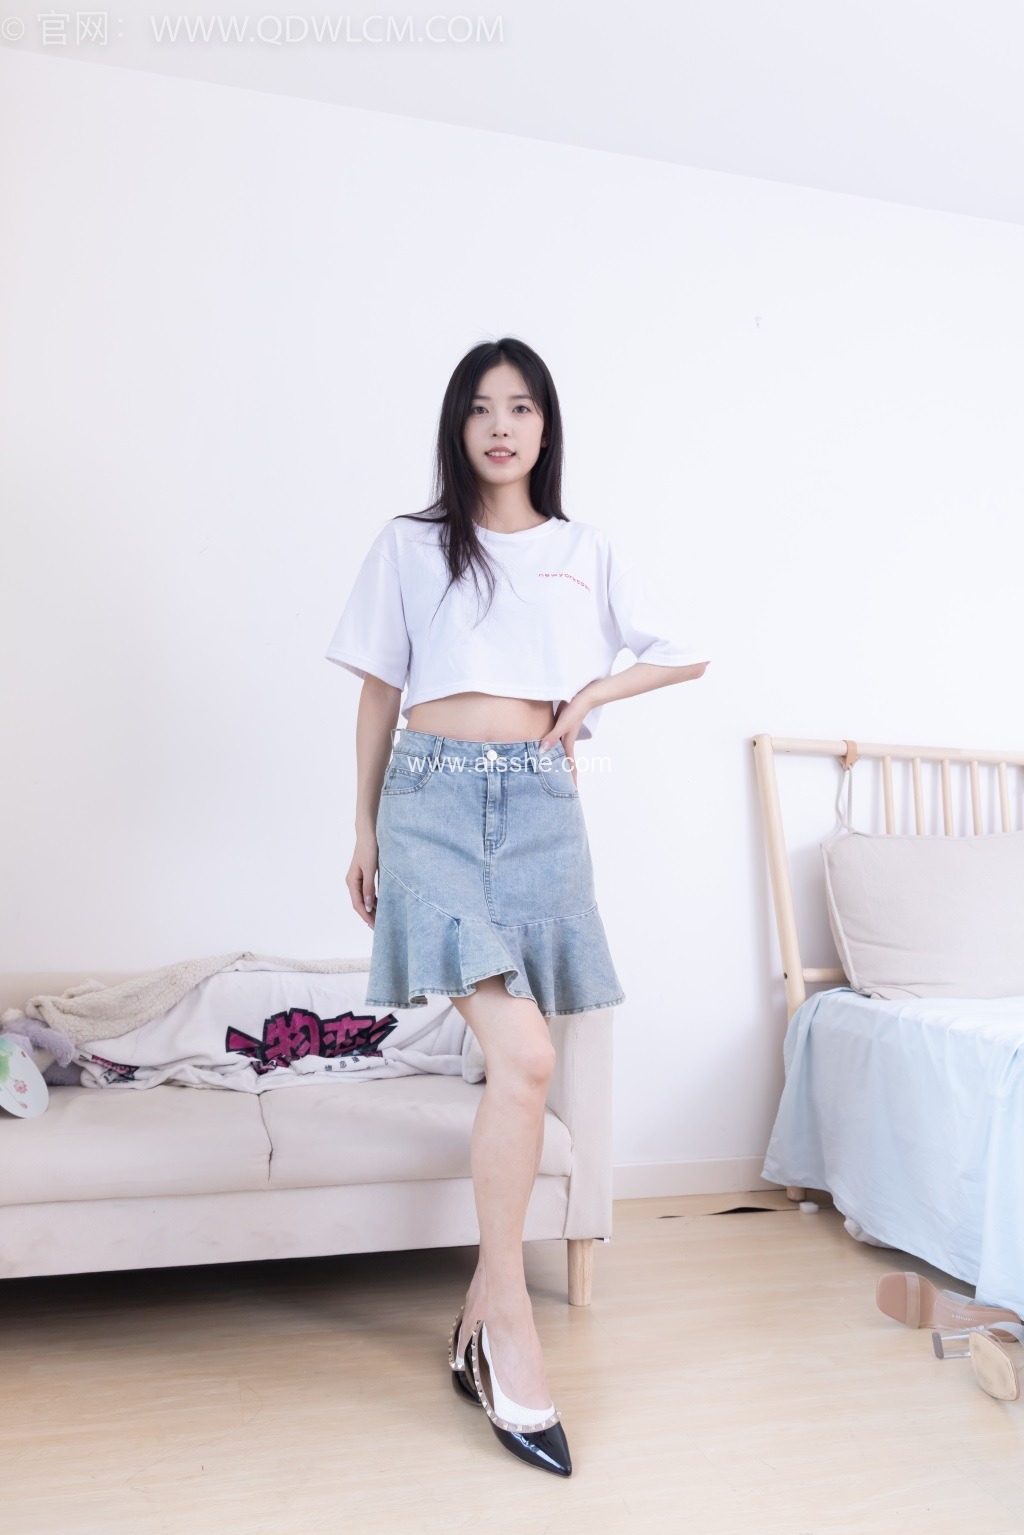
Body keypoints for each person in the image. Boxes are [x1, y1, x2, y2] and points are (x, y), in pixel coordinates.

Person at [324, 336, 710, 1476]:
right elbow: (380, 690)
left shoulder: (582, 550)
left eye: (522, 407)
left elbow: (685, 651)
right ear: (458, 426)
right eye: (482, 408)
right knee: (526, 1054)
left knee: (524, 1064)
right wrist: (363, 828)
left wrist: (589, 695)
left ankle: (481, 1315)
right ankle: (508, 1323)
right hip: (431, 803)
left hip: (541, 806)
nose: (502, 426)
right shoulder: (410, 544)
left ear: (547, 427)